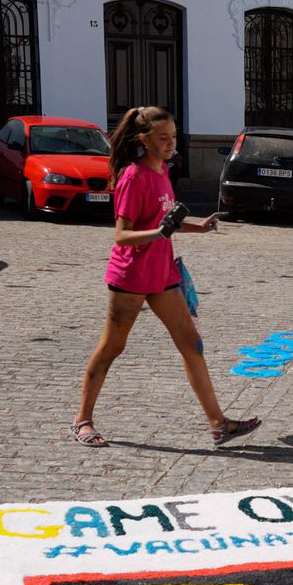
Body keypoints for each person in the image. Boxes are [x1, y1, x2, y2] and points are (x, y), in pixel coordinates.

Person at [72, 105, 260, 449]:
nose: (171, 143)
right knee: (113, 347)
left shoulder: (161, 171)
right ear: (143, 140)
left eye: (173, 136)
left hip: (163, 275)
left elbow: (163, 221)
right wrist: (159, 233)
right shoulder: (133, 176)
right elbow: (123, 235)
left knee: (192, 344)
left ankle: (219, 424)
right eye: (163, 138)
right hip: (130, 277)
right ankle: (82, 420)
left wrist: (196, 226)